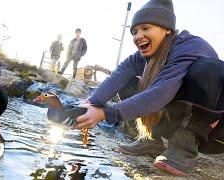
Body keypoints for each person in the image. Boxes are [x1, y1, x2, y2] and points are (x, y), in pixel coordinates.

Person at [73, 0, 223, 176]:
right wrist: (90, 103)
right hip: (176, 122)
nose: (138, 36)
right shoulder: (145, 56)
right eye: (134, 31)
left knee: (209, 68)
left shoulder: (190, 46)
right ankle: (151, 139)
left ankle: (183, 151)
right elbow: (119, 74)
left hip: (213, 134)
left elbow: (161, 93)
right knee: (128, 79)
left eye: (145, 28)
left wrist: (106, 113)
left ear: (167, 29)